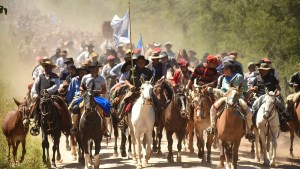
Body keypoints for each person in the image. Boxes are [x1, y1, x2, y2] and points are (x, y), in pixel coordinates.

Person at [206, 61, 255, 142]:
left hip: (237, 98)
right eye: (223, 69)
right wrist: (214, 90)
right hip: (225, 98)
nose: (223, 71)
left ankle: (248, 131)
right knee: (213, 108)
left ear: (230, 69)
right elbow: (222, 89)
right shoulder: (223, 78)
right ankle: (212, 127)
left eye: (225, 69)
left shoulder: (239, 77)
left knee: (249, 112)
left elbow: (245, 88)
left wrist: (237, 90)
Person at [69, 61, 111, 137]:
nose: (96, 70)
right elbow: (81, 87)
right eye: (94, 68)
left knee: (107, 106)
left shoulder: (102, 78)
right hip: (86, 97)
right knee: (75, 107)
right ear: (90, 69)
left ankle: (105, 128)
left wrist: (95, 91)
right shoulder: (85, 77)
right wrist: (86, 91)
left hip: (97, 97)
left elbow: (104, 90)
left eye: (97, 68)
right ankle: (75, 126)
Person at [250, 63, 290, 131]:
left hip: (271, 96)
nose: (262, 71)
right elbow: (251, 87)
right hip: (260, 96)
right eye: (261, 70)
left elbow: (278, 88)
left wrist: (277, 93)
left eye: (263, 70)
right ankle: (252, 123)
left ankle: (284, 122)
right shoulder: (257, 78)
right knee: (254, 106)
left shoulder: (272, 78)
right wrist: (253, 88)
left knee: (281, 105)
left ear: (267, 70)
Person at [118, 55, 152, 125]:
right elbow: (126, 80)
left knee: (157, 101)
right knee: (124, 101)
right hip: (134, 91)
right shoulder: (132, 71)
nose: (141, 64)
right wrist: (130, 86)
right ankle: (122, 119)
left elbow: (152, 82)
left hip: (146, 92)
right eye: (139, 62)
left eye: (142, 62)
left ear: (145, 63)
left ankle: (158, 120)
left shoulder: (148, 71)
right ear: (136, 62)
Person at [30, 60, 60, 134]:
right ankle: (36, 124)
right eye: (46, 66)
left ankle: (63, 123)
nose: (47, 68)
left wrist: (48, 91)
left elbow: (57, 86)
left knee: (60, 107)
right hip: (41, 97)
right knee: (35, 107)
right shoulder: (40, 77)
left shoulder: (55, 77)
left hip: (52, 96)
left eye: (49, 67)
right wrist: (35, 95)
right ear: (44, 68)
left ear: (51, 68)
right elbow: (35, 87)